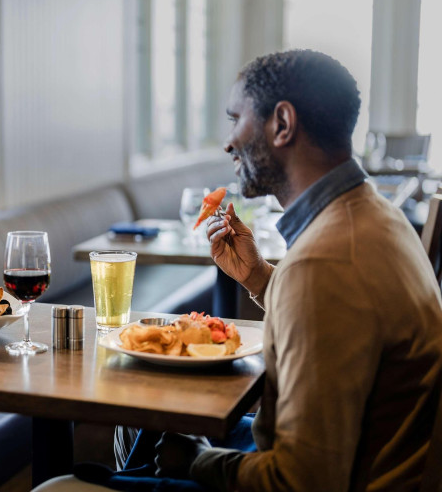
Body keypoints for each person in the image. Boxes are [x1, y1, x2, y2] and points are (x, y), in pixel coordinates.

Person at [91, 50, 442, 492]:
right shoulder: (379, 218)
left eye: (236, 118)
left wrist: (199, 462)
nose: (228, 141)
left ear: (282, 124)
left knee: (63, 486)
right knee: (147, 425)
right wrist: (258, 275)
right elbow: (338, 318)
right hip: (356, 453)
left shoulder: (324, 264)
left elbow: (301, 482)